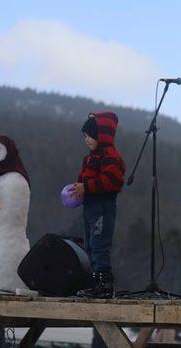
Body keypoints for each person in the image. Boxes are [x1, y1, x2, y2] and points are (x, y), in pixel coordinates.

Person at [73, 112, 125, 298]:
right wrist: (77, 189)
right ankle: (94, 279)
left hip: (103, 206)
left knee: (99, 243)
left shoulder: (110, 156)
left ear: (101, 135)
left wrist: (86, 187)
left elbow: (112, 180)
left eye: (89, 136)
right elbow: (84, 178)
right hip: (90, 207)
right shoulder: (89, 158)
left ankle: (104, 281)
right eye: (85, 136)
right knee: (89, 244)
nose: (86, 140)